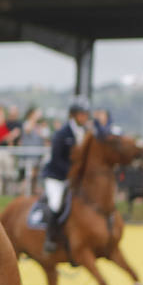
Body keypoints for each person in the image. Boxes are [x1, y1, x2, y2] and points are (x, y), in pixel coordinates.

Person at [39, 97, 91, 252]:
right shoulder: (62, 134)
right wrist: (71, 173)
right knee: (55, 204)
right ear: (74, 115)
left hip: (74, 179)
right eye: (82, 114)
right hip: (56, 177)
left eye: (86, 114)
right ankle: (49, 239)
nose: (85, 117)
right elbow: (56, 159)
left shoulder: (86, 133)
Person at [0, 104, 19, 196]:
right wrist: (9, 136)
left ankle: (9, 194)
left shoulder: (7, 126)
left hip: (7, 152)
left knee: (9, 174)